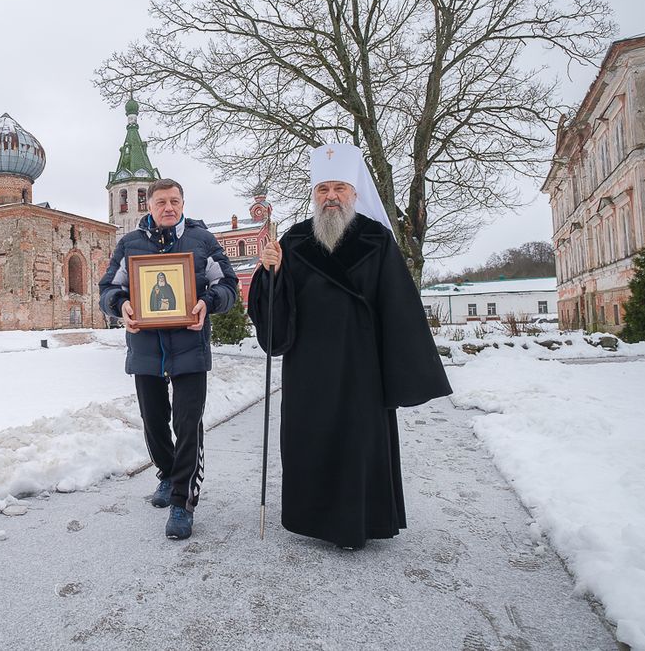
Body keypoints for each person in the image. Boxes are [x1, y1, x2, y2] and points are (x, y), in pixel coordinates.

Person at [248, 144, 452, 550]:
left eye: (339, 188)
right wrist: (270, 272)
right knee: (311, 440)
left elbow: (398, 307)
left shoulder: (377, 239)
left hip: (362, 365)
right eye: (323, 189)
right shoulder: (295, 239)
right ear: (314, 195)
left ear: (354, 193)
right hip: (308, 365)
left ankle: (358, 522)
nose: (331, 197)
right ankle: (313, 519)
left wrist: (398, 368)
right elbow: (275, 303)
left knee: (358, 443)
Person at [99, 178, 238, 540]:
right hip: (146, 349)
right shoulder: (130, 244)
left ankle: (182, 500)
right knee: (154, 422)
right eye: (161, 202)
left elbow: (228, 284)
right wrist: (120, 306)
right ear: (149, 205)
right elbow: (109, 288)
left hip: (190, 347)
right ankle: (167, 473)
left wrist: (208, 302)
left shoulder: (201, 241)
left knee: (188, 424)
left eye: (175, 201)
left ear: (183, 203)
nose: (168, 207)